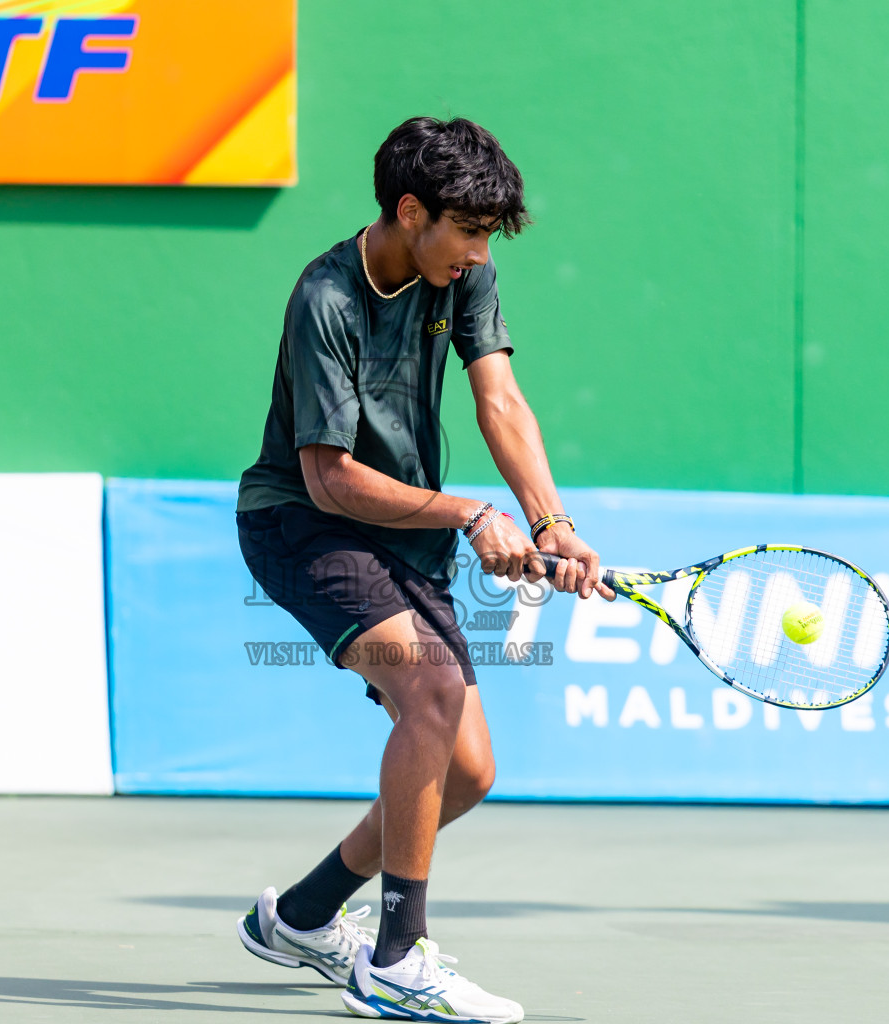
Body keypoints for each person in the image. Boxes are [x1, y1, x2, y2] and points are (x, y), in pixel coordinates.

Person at [234, 116, 612, 1023]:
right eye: (468, 232)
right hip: (303, 526)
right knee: (433, 695)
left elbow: (500, 398)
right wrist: (471, 513)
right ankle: (397, 955)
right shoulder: (326, 296)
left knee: (468, 771)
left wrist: (549, 522)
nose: (480, 253)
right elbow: (327, 478)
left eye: (487, 237)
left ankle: (301, 917)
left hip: (403, 533)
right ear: (411, 212)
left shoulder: (463, 274)